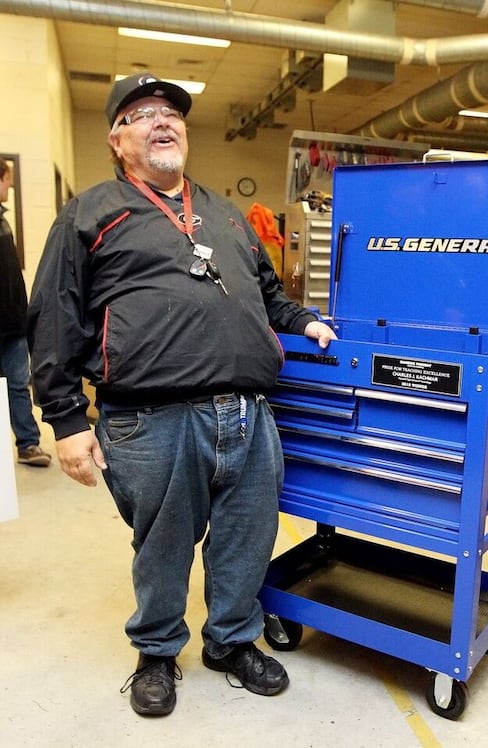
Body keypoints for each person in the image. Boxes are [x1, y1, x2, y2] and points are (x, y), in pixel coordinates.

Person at [27, 73, 336, 717]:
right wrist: (65, 421)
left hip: (249, 413)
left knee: (248, 536)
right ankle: (158, 651)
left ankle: (230, 641)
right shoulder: (89, 212)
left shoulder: (224, 213)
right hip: (152, 417)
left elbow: (267, 293)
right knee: (163, 545)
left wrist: (302, 319)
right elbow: (55, 320)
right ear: (118, 140)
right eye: (142, 115)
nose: (162, 122)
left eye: (171, 114)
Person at [0, 157, 51, 467]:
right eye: (7, 180)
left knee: (20, 385)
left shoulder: (3, 220)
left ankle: (28, 445)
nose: (9, 187)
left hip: (13, 324)